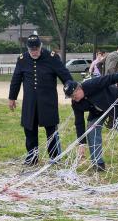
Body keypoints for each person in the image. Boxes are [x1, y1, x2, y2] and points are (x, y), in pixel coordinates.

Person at [8, 34, 73, 165]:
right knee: (30, 130)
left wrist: (72, 91)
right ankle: (32, 157)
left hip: (48, 101)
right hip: (30, 102)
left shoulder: (52, 57)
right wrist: (12, 97)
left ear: (41, 47)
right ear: (28, 48)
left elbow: (65, 75)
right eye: (32, 50)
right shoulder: (22, 59)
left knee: (51, 131)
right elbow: (16, 79)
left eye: (36, 49)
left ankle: (55, 157)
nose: (34, 52)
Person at [70, 71, 118, 172]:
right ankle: (98, 164)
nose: (74, 99)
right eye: (71, 97)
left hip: (116, 105)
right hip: (97, 112)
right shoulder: (75, 103)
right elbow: (79, 123)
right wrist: (81, 143)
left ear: (79, 89)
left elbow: (111, 78)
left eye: (74, 95)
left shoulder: (91, 84)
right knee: (91, 131)